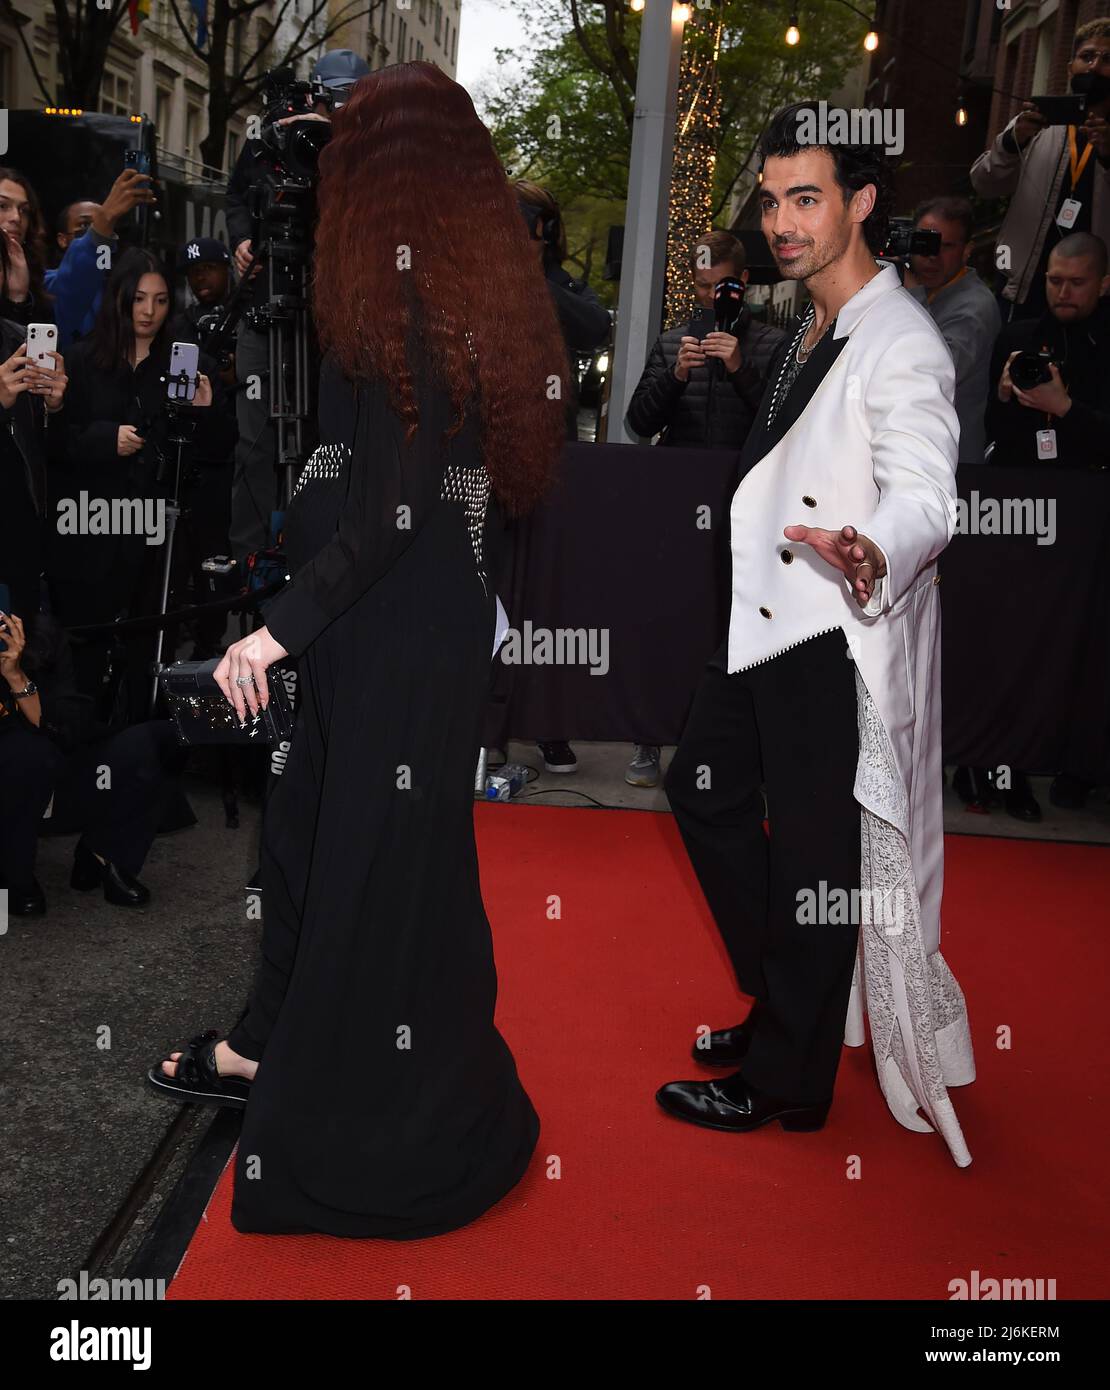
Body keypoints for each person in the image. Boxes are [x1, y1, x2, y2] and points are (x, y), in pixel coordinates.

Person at [148, 60, 569, 1239]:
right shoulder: (424, 287)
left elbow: (392, 507)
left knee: (374, 875)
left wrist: (273, 633)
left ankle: (382, 1133)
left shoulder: (418, 296)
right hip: (372, 628)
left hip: (387, 636)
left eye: (346, 150)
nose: (326, 168)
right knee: (311, 843)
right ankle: (262, 1046)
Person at [659, 103, 975, 1167]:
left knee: (810, 855)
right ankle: (790, 995)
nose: (782, 222)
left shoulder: (902, 342)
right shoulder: (808, 322)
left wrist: (877, 549)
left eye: (807, 198)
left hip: (832, 633)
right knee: (699, 787)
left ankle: (786, 1075)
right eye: (772, 199)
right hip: (763, 626)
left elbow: (931, 492)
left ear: (861, 206)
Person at [623, 229, 785, 788]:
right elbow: (638, 422)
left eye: (721, 286)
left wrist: (739, 366)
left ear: (743, 283)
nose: (710, 296)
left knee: (738, 631)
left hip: (749, 512)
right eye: (700, 285)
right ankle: (649, 742)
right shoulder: (673, 342)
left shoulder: (770, 342)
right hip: (677, 509)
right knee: (668, 623)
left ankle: (739, 752)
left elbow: (783, 427)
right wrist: (675, 377)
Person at [46, 247, 227, 720]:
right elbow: (52, 444)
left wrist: (207, 413)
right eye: (140, 299)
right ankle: (78, 759)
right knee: (83, 657)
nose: (149, 311)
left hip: (156, 540)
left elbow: (216, 452)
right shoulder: (82, 360)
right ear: (120, 300)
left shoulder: (184, 364)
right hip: (86, 531)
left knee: (145, 656)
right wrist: (106, 440)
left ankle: (134, 755)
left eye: (162, 300)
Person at [225, 49, 369, 573]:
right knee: (255, 441)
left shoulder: (368, 152)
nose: (335, 111)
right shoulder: (274, 135)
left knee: (325, 439)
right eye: (332, 99)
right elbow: (238, 196)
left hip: (330, 317)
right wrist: (242, 240)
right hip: (267, 302)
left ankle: (318, 563)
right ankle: (247, 567)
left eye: (347, 101)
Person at [509, 179, 611, 779]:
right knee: (491, 592)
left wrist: (533, 273)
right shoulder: (481, 274)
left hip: (552, 461)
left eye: (520, 217)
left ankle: (550, 725)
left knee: (549, 601)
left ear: (544, 228)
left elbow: (594, 327)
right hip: (487, 457)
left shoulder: (563, 288)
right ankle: (488, 722)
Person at [0, 609, 190, 915]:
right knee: (26, 753)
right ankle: (13, 875)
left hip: (57, 780)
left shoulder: (41, 636)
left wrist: (15, 676)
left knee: (162, 738)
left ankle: (104, 853)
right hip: (17, 781)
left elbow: (68, 725)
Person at [970, 17, 1110, 321]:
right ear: (1071, 64)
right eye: (1087, 56)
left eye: (1107, 59)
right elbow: (984, 184)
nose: (1095, 66)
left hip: (1096, 301)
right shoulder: (1036, 125)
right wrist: (1011, 142)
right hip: (1024, 292)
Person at [1, 167, 156, 346]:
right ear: (62, 239)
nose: (16, 217)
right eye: (2, 206)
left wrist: (19, 300)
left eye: (24, 210)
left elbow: (75, 283)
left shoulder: (42, 288)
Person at [905, 196, 1001, 466]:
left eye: (946, 246)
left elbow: (936, 372)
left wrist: (911, 296)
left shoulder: (975, 306)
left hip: (952, 465)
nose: (931, 256)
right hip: (917, 453)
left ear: (967, 250)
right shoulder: (921, 289)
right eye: (925, 243)